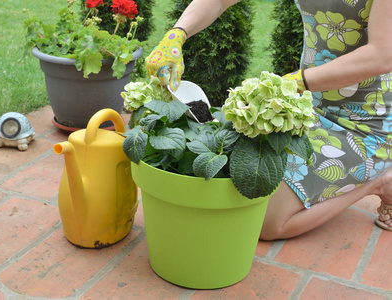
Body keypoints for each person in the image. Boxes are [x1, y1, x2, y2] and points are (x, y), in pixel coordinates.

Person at [145, 0, 392, 240]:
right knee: (237, 180)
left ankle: (380, 182)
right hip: (304, 108)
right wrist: (176, 35)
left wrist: (295, 82)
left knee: (267, 220)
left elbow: (382, 54)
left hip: (367, 125)